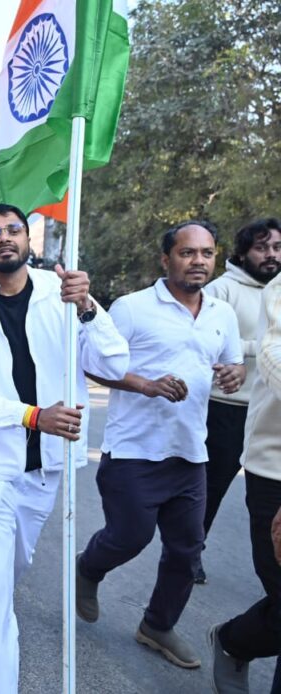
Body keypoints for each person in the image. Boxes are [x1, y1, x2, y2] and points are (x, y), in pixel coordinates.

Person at [0, 204, 128, 694]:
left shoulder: (62, 293)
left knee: (12, 568)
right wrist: (32, 416)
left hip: (45, 467)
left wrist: (88, 309)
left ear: (28, 240)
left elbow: (113, 362)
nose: (4, 237)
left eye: (13, 230)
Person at [78, 220, 244, 669]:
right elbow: (93, 363)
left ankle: (157, 624)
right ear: (165, 259)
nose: (198, 261)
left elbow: (232, 364)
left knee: (187, 552)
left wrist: (235, 373)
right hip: (134, 450)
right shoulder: (132, 308)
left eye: (206, 253)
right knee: (128, 538)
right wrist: (146, 385)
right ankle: (88, 567)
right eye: (187, 253)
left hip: (190, 452)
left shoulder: (222, 314)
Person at [208, 255, 281, 693]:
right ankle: (234, 642)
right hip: (274, 469)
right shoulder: (277, 290)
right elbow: (273, 356)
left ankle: (235, 640)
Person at [197, 218, 281, 583]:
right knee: (212, 486)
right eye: (261, 248)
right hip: (225, 408)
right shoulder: (222, 290)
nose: (271, 255)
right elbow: (204, 339)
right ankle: (191, 550)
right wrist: (253, 351)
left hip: (268, 414)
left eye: (277, 247)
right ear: (244, 253)